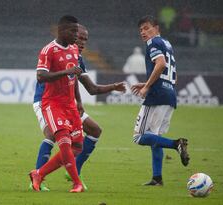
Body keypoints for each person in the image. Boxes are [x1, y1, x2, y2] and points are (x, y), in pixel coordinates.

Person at [31, 24, 126, 191]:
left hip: (67, 103)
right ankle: (38, 180)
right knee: (53, 135)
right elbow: (47, 75)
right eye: (79, 37)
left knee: (94, 130)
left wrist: (79, 101)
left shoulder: (77, 57)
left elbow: (90, 87)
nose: (81, 42)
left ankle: (74, 170)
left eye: (84, 39)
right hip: (46, 101)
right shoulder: (54, 50)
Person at [130, 15, 190, 186]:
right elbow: (173, 76)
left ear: (156, 28)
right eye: (141, 30)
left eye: (147, 28)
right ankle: (157, 178)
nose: (143, 32)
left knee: (139, 136)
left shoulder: (153, 43)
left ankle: (176, 144)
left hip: (156, 97)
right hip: (170, 95)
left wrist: (147, 86)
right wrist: (148, 81)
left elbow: (161, 64)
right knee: (155, 138)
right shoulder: (167, 44)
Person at [29, 15, 84, 193]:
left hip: (70, 105)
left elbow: (73, 77)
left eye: (77, 31)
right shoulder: (48, 50)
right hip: (53, 104)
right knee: (65, 143)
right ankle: (77, 183)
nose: (76, 35)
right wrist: (67, 70)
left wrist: (79, 101)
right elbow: (41, 76)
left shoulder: (75, 49)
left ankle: (39, 173)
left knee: (77, 146)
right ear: (61, 31)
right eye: (73, 31)